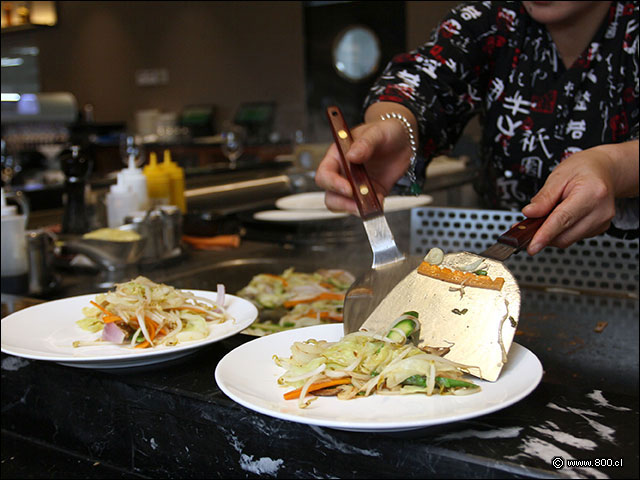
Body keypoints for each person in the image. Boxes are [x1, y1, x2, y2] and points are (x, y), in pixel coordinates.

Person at [315, 1, 638, 255]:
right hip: (510, 262)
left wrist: (613, 166)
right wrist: (394, 125)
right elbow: (424, 78)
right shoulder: (490, 18)